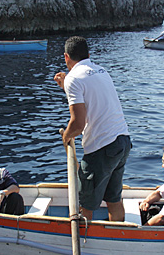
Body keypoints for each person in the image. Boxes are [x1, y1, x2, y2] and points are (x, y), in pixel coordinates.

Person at [54, 36, 131, 222]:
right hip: (122, 142)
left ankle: (85, 242)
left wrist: (66, 137)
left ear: (66, 57)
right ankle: (117, 238)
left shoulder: (73, 78)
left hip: (101, 148)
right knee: (114, 199)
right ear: (88, 55)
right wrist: (66, 86)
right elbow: (91, 95)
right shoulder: (101, 71)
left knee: (85, 204)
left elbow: (78, 125)